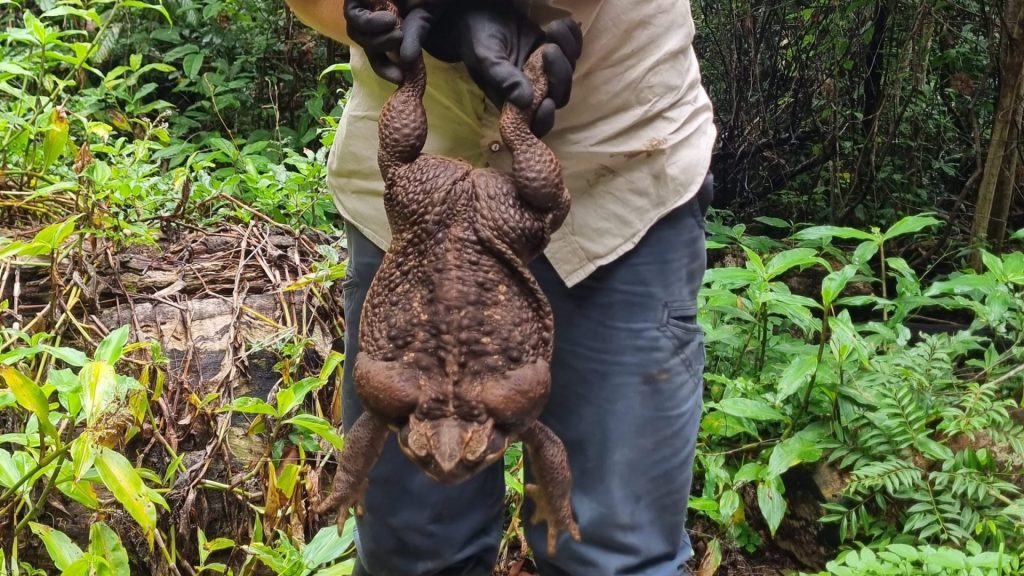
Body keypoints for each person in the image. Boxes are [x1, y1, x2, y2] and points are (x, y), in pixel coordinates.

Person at [282, 0, 717, 574]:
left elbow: (534, 428)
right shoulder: (430, 408)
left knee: (614, 554)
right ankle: (454, 93)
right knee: (408, 554)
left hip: (615, 167)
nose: (443, 460)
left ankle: (492, 111)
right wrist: (394, 20)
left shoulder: (489, 410)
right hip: (421, 207)